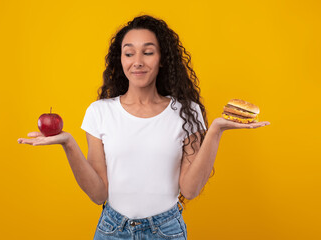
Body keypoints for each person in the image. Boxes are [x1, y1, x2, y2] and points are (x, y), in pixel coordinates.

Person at [17, 14, 270, 240]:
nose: (137, 61)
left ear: (162, 60)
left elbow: (190, 190)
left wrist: (215, 131)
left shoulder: (186, 111)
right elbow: (98, 194)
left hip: (167, 230)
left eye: (148, 52)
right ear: (121, 60)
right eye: (129, 53)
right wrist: (68, 143)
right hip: (112, 230)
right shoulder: (99, 112)